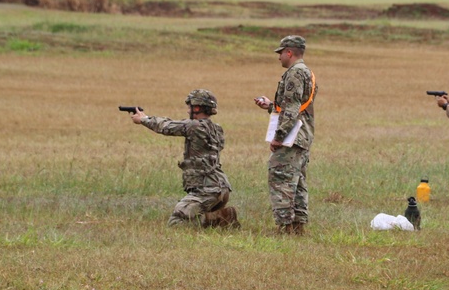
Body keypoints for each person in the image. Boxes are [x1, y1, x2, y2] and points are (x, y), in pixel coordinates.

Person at [130, 89, 238, 228]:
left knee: (176, 223)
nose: (188, 111)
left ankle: (223, 219)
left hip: (206, 189)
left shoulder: (194, 126)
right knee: (193, 216)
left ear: (197, 107)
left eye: (190, 107)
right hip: (221, 187)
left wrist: (143, 119)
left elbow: (166, 126)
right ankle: (217, 218)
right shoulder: (217, 128)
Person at [254, 35, 316, 235]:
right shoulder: (307, 73)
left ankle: (285, 228)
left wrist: (279, 136)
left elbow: (291, 108)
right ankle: (298, 227)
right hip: (302, 134)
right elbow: (298, 106)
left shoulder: (294, 74)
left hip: (292, 136)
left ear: (289, 52)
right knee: (297, 181)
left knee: (280, 178)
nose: (279, 57)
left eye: (281, 53)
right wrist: (270, 106)